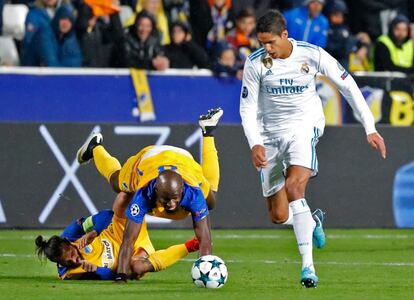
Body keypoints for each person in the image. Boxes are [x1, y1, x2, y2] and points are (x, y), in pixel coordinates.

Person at [239, 10, 386, 288]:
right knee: (279, 216)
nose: (266, 49)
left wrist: (370, 127)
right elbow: (247, 107)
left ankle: (308, 267)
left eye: (270, 43)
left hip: (303, 127)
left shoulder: (311, 54)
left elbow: (348, 86)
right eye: (262, 43)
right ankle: (312, 220)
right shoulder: (256, 63)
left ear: (285, 35)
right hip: (269, 135)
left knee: (295, 188)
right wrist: (255, 142)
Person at [76, 108, 223, 282]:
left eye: (175, 199)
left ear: (182, 191)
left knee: (211, 200)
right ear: (155, 192)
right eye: (165, 200)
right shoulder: (143, 194)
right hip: (148, 161)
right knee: (117, 184)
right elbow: (128, 239)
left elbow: (205, 237)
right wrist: (121, 274)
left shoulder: (193, 192)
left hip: (185, 163)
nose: (170, 205)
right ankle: (95, 148)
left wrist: (204, 267)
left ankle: (208, 131)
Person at [35, 192, 199, 280]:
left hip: (122, 231)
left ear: (68, 242)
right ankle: (191, 245)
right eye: (68, 261)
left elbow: (107, 215)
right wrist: (96, 270)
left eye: (71, 253)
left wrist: (94, 232)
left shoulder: (71, 234)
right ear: (59, 263)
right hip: (131, 256)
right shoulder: (70, 273)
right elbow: (113, 275)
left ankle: (161, 193)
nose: (74, 259)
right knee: (137, 268)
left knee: (123, 197)